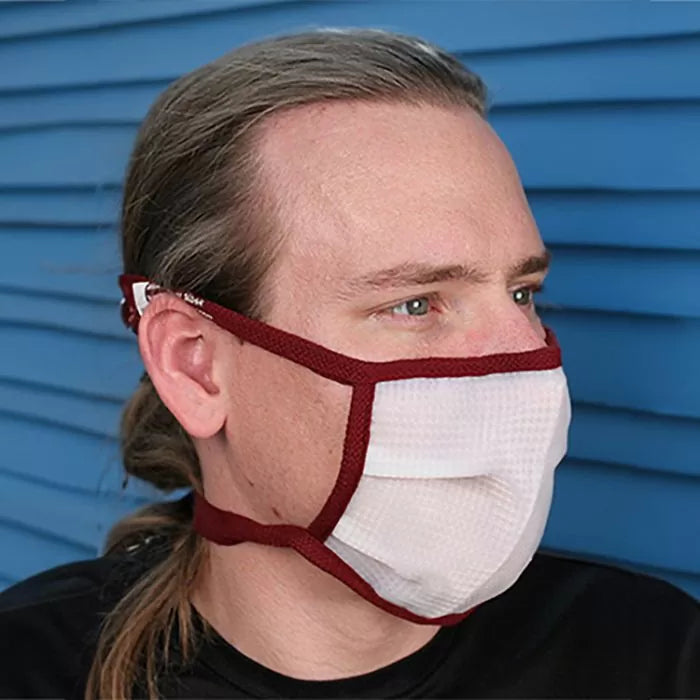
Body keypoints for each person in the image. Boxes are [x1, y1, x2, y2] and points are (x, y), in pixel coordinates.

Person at [0, 28, 698, 700]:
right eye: (415, 305)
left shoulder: (655, 654)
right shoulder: (29, 667)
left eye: (522, 292)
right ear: (195, 365)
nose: (525, 367)